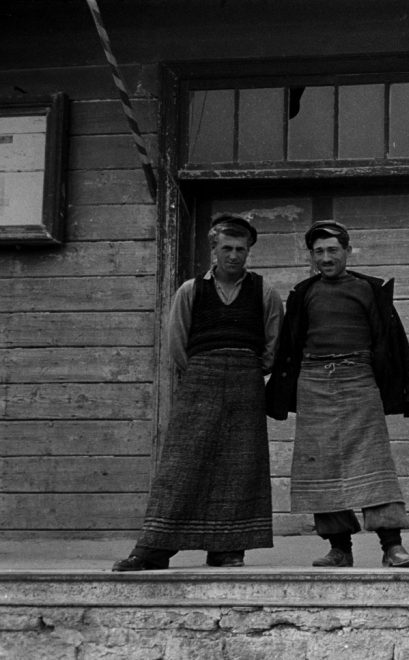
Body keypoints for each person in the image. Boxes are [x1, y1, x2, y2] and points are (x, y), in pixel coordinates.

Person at [113, 215, 283, 571]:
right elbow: (177, 343)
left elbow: (273, 344)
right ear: (214, 250)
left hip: (246, 382)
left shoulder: (265, 291)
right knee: (182, 463)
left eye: (241, 249)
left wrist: (249, 368)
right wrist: (202, 371)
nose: (234, 256)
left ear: (248, 251)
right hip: (200, 379)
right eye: (227, 248)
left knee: (240, 465)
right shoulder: (191, 289)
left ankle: (226, 548)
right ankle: (157, 547)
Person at [266, 220, 409, 569]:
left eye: (333, 250)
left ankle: (392, 546)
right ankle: (339, 548)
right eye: (318, 252)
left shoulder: (371, 290)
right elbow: (289, 345)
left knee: (374, 463)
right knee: (321, 468)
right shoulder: (303, 293)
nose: (326, 257)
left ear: (348, 252)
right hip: (314, 383)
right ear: (311, 257)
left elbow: (392, 345)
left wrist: (400, 389)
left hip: (359, 379)